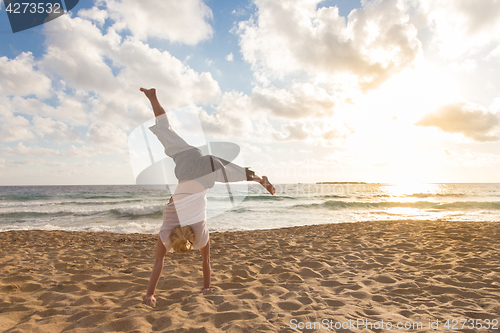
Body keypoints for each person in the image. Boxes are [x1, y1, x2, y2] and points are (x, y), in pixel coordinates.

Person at [141, 88, 275, 307]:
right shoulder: (167, 227)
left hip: (206, 169)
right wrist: (149, 294)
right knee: (166, 132)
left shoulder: (200, 234)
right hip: (186, 161)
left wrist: (206, 287)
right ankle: (153, 97)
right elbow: (158, 261)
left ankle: (259, 179)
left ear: (188, 241)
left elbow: (206, 262)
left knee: (233, 173)